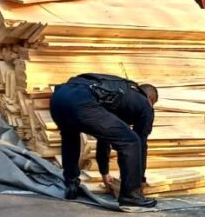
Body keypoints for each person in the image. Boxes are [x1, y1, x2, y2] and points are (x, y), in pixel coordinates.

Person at [50, 73, 158, 209]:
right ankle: (131, 196)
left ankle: (71, 185)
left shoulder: (121, 92)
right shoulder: (145, 104)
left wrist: (104, 172)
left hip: (59, 98)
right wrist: (139, 180)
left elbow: (105, 135)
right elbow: (140, 145)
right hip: (82, 101)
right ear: (150, 98)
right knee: (131, 142)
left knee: (70, 134)